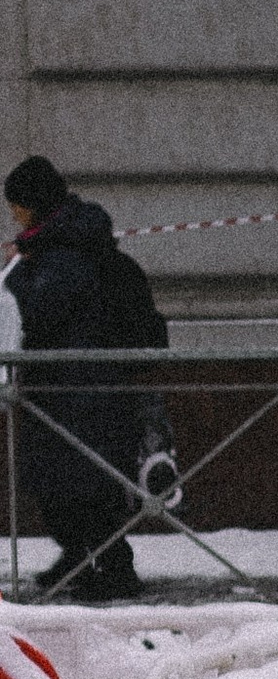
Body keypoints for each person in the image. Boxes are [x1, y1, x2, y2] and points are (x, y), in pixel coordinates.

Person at [3, 156, 167, 601]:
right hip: (68, 386)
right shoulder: (59, 243)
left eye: (16, 203)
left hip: (81, 388)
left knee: (83, 481)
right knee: (62, 479)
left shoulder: (63, 253)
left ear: (34, 203)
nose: (12, 212)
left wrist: (15, 277)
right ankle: (80, 553)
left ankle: (114, 567)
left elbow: (41, 310)